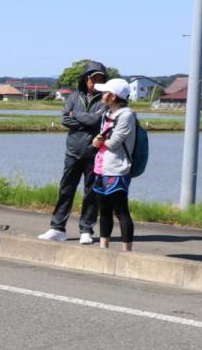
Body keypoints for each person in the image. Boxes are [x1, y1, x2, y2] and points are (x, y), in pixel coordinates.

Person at [39, 61, 107, 244]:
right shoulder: (74, 96)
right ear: (86, 79)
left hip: (93, 153)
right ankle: (57, 228)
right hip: (72, 151)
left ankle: (86, 229)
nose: (96, 82)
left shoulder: (105, 99)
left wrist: (75, 115)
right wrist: (86, 120)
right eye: (94, 78)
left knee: (91, 192)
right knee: (66, 189)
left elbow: (97, 121)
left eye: (101, 78)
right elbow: (64, 120)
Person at [90, 77, 136, 252]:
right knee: (104, 210)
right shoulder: (107, 114)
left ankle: (127, 252)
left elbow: (113, 143)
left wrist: (101, 141)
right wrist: (98, 141)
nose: (102, 95)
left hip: (117, 169)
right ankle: (103, 248)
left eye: (105, 92)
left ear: (114, 96)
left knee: (121, 211)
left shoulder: (126, 115)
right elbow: (101, 141)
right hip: (101, 167)